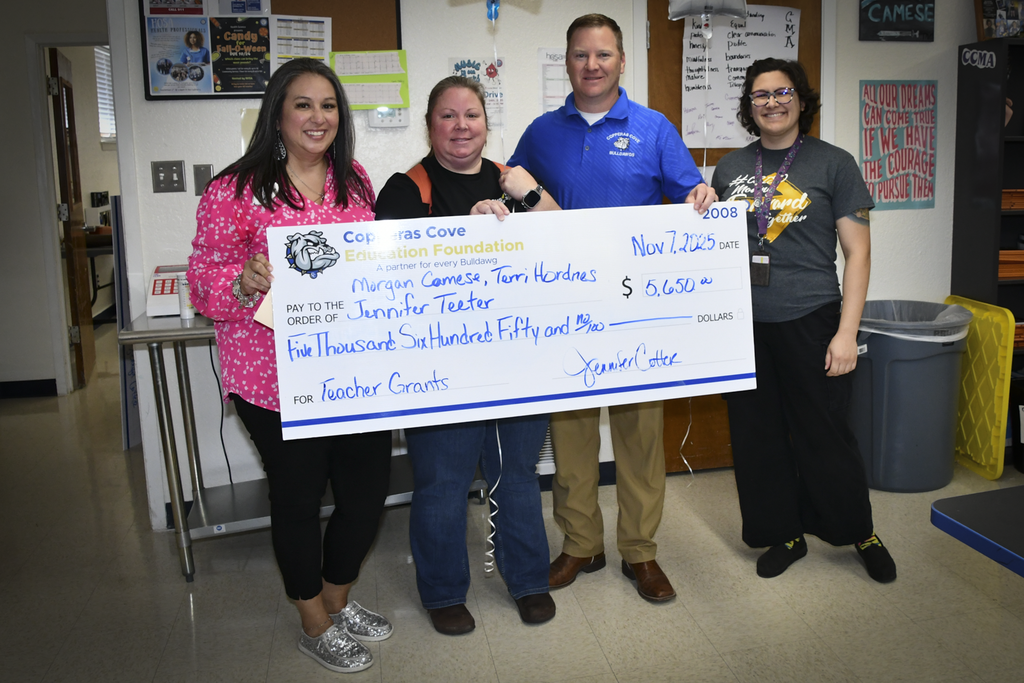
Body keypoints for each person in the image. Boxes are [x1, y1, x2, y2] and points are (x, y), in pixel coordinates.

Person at [187, 58, 394, 674]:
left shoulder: (353, 181)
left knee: (364, 498)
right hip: (272, 382)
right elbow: (201, 280)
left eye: (328, 105)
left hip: (350, 374)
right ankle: (312, 621)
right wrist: (242, 280)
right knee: (299, 502)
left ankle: (336, 598)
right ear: (278, 111)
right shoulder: (235, 190)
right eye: (302, 104)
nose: (317, 117)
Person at [507, 13, 715, 603]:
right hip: (566, 307)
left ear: (622, 60)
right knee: (570, 437)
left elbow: (688, 198)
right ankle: (581, 544)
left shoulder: (654, 129)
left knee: (640, 437)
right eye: (580, 55)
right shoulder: (541, 132)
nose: (591, 65)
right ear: (567, 62)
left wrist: (700, 194)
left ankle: (641, 553)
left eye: (603, 55)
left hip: (636, 311)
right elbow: (513, 196)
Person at [374, 75, 558, 636]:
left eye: (471, 116)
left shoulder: (515, 181)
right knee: (443, 484)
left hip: (517, 360)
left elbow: (569, 238)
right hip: (440, 370)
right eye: (448, 117)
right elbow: (391, 279)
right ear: (429, 125)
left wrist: (528, 196)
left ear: (486, 122)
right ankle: (444, 591)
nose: (461, 127)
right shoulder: (406, 189)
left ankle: (528, 581)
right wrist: (461, 233)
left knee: (517, 476)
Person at [710, 58, 897, 583]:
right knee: (757, 435)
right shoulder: (729, 169)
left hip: (812, 317)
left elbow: (857, 254)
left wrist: (846, 334)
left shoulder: (832, 164)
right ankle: (783, 532)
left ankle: (859, 531)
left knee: (826, 433)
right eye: (760, 95)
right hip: (744, 325)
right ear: (749, 107)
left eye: (782, 92)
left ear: (801, 99)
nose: (772, 102)